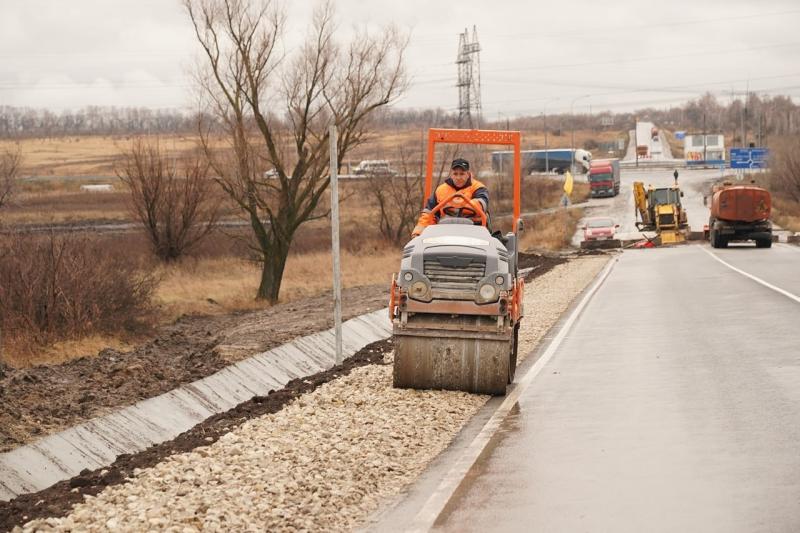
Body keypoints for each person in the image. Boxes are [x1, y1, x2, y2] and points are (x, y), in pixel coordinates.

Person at [411, 158, 489, 237]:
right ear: (451, 174)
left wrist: (457, 204)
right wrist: (418, 232)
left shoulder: (478, 188)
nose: (458, 178)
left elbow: (481, 204)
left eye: (462, 174)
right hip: (445, 230)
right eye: (455, 174)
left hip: (473, 230)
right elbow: (429, 213)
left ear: (468, 174)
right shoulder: (440, 190)